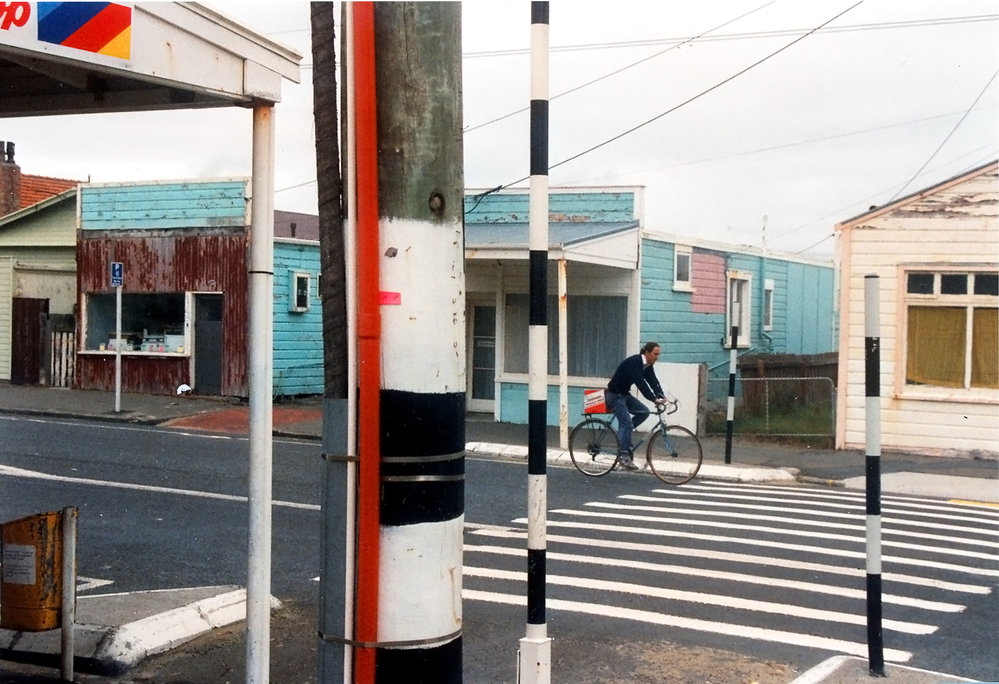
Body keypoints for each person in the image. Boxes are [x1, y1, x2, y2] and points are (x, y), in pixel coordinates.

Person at [605, 341, 668, 470]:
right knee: (627, 424)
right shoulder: (635, 362)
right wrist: (653, 399)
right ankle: (624, 456)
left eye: (658, 355)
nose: (657, 357)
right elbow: (641, 384)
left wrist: (661, 395)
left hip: (624, 394)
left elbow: (653, 381)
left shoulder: (648, 365)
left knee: (643, 412)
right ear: (647, 352)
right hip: (615, 395)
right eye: (655, 354)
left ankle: (624, 438)